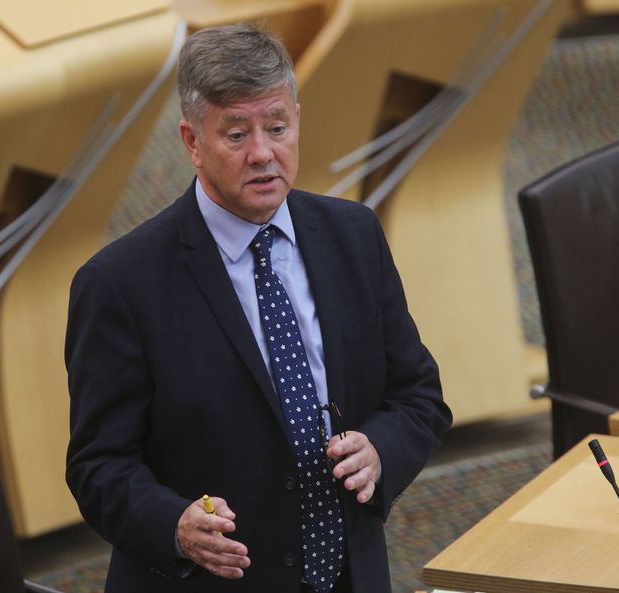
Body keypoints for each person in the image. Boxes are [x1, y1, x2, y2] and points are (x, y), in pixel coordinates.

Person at [65, 23, 452, 593]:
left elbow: (418, 395)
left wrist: (381, 451)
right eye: (237, 135)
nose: (264, 154)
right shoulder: (120, 284)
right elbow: (98, 466)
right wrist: (173, 525)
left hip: (349, 575)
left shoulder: (353, 235)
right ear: (192, 142)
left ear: (297, 118)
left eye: (277, 128)